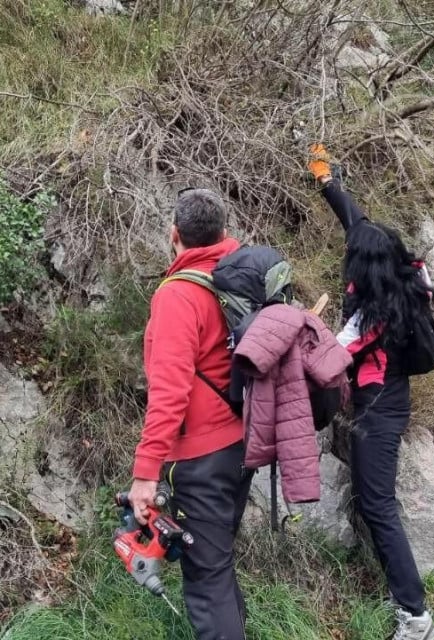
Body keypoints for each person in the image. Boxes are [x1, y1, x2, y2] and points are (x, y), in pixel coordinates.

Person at [307, 144, 434, 640]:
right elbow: (360, 225)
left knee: (377, 505)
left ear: (364, 270)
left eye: (350, 261)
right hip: (390, 399)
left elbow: (329, 362)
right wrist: (328, 182)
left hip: (379, 412)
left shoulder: (370, 319)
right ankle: (411, 609)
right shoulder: (407, 276)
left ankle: (417, 619)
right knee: (375, 503)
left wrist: (290, 333)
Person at [127, 188, 253, 640]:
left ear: (173, 235)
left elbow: (169, 392)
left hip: (202, 457)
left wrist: (146, 472)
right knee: (216, 564)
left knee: (206, 581)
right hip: (242, 443)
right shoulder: (236, 274)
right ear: (223, 232)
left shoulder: (178, 296)